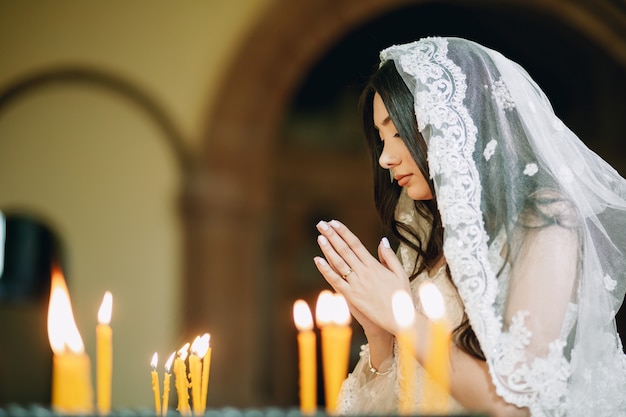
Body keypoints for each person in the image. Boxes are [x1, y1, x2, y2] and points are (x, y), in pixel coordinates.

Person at [313, 37, 626, 417]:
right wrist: (380, 334)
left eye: (396, 132)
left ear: (454, 120)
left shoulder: (547, 220)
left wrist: (400, 316)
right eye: (381, 139)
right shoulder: (425, 229)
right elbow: (400, 397)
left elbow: (519, 406)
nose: (384, 158)